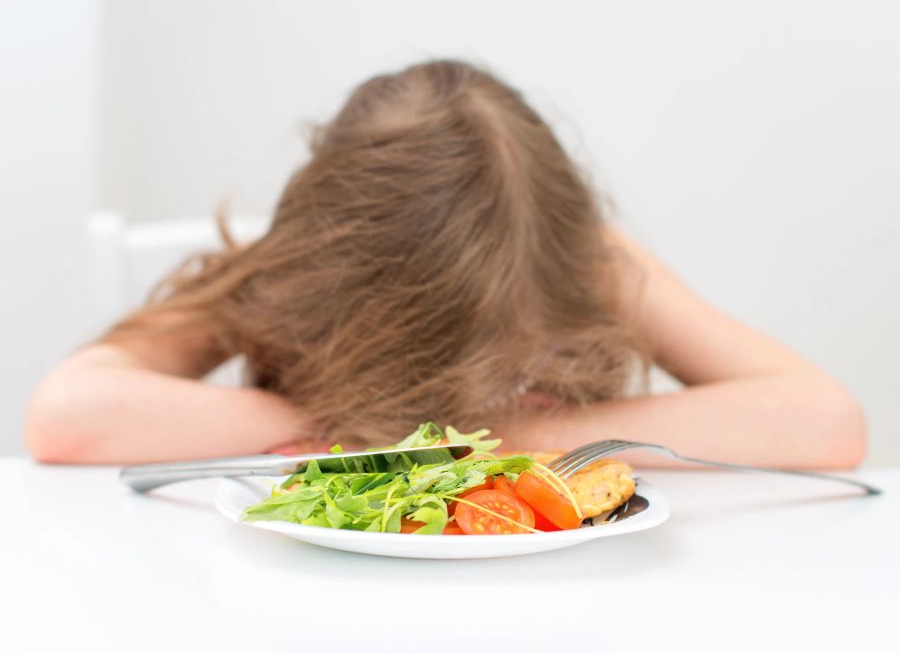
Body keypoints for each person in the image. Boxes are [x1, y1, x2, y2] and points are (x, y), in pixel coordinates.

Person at [25, 59, 865, 468]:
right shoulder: (284, 272)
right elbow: (69, 416)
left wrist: (529, 439)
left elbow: (825, 423)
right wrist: (376, 446)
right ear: (327, 274)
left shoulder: (593, 265)